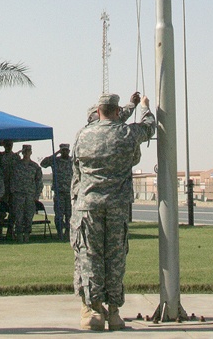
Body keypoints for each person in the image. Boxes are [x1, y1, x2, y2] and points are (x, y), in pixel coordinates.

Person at [71, 92, 155, 331]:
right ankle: (115, 313)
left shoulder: (83, 135)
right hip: (117, 206)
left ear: (97, 112)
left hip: (89, 207)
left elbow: (75, 171)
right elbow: (149, 127)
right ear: (117, 111)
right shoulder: (126, 133)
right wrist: (144, 107)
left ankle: (93, 310)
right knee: (115, 258)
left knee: (90, 257)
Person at [10, 144, 43, 243]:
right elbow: (12, 179)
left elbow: (39, 182)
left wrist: (37, 195)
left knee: (29, 217)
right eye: (24, 151)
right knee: (18, 217)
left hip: (30, 195)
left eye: (28, 151)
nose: (26, 153)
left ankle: (27, 236)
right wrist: (13, 192)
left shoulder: (35, 166)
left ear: (31, 152)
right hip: (18, 195)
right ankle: (19, 236)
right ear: (22, 152)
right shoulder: (16, 165)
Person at [41, 143, 73, 240]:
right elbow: (43, 163)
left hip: (70, 192)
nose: (64, 152)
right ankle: (60, 234)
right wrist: (55, 154)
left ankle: (68, 233)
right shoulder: (56, 161)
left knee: (70, 215)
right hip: (59, 193)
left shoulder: (72, 161)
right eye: (62, 150)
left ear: (69, 151)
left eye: (66, 150)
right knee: (59, 215)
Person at [0, 139, 18, 239]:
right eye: (7, 145)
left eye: (10, 144)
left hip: (13, 188)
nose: (9, 146)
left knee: (13, 211)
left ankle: (10, 231)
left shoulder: (16, 157)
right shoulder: (0, 155)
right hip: (2, 187)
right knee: (1, 212)